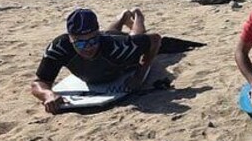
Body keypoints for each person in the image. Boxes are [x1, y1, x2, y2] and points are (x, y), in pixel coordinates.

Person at [32, 8, 162, 114]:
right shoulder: (60, 47)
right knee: (111, 33)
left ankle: (138, 16)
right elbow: (39, 82)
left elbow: (155, 40)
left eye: (93, 41)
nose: (88, 48)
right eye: (80, 44)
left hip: (116, 52)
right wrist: (47, 94)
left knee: (134, 36)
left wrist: (140, 74)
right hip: (106, 40)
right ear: (70, 39)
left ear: (98, 34)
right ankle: (122, 16)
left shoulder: (116, 46)